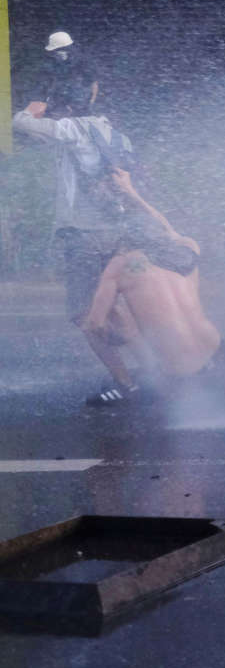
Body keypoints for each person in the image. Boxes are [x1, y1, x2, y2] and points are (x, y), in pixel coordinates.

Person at [11, 49, 142, 405]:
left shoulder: (70, 128)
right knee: (110, 304)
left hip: (84, 236)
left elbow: (20, 124)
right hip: (115, 232)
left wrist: (36, 105)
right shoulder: (111, 132)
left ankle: (127, 383)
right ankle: (151, 365)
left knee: (83, 315)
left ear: (65, 106)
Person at [80, 171, 225, 400]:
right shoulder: (187, 248)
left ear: (124, 237)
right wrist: (131, 192)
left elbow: (94, 324)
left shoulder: (120, 265)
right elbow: (165, 228)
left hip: (179, 371)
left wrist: (124, 335)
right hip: (214, 349)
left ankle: (125, 387)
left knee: (85, 324)